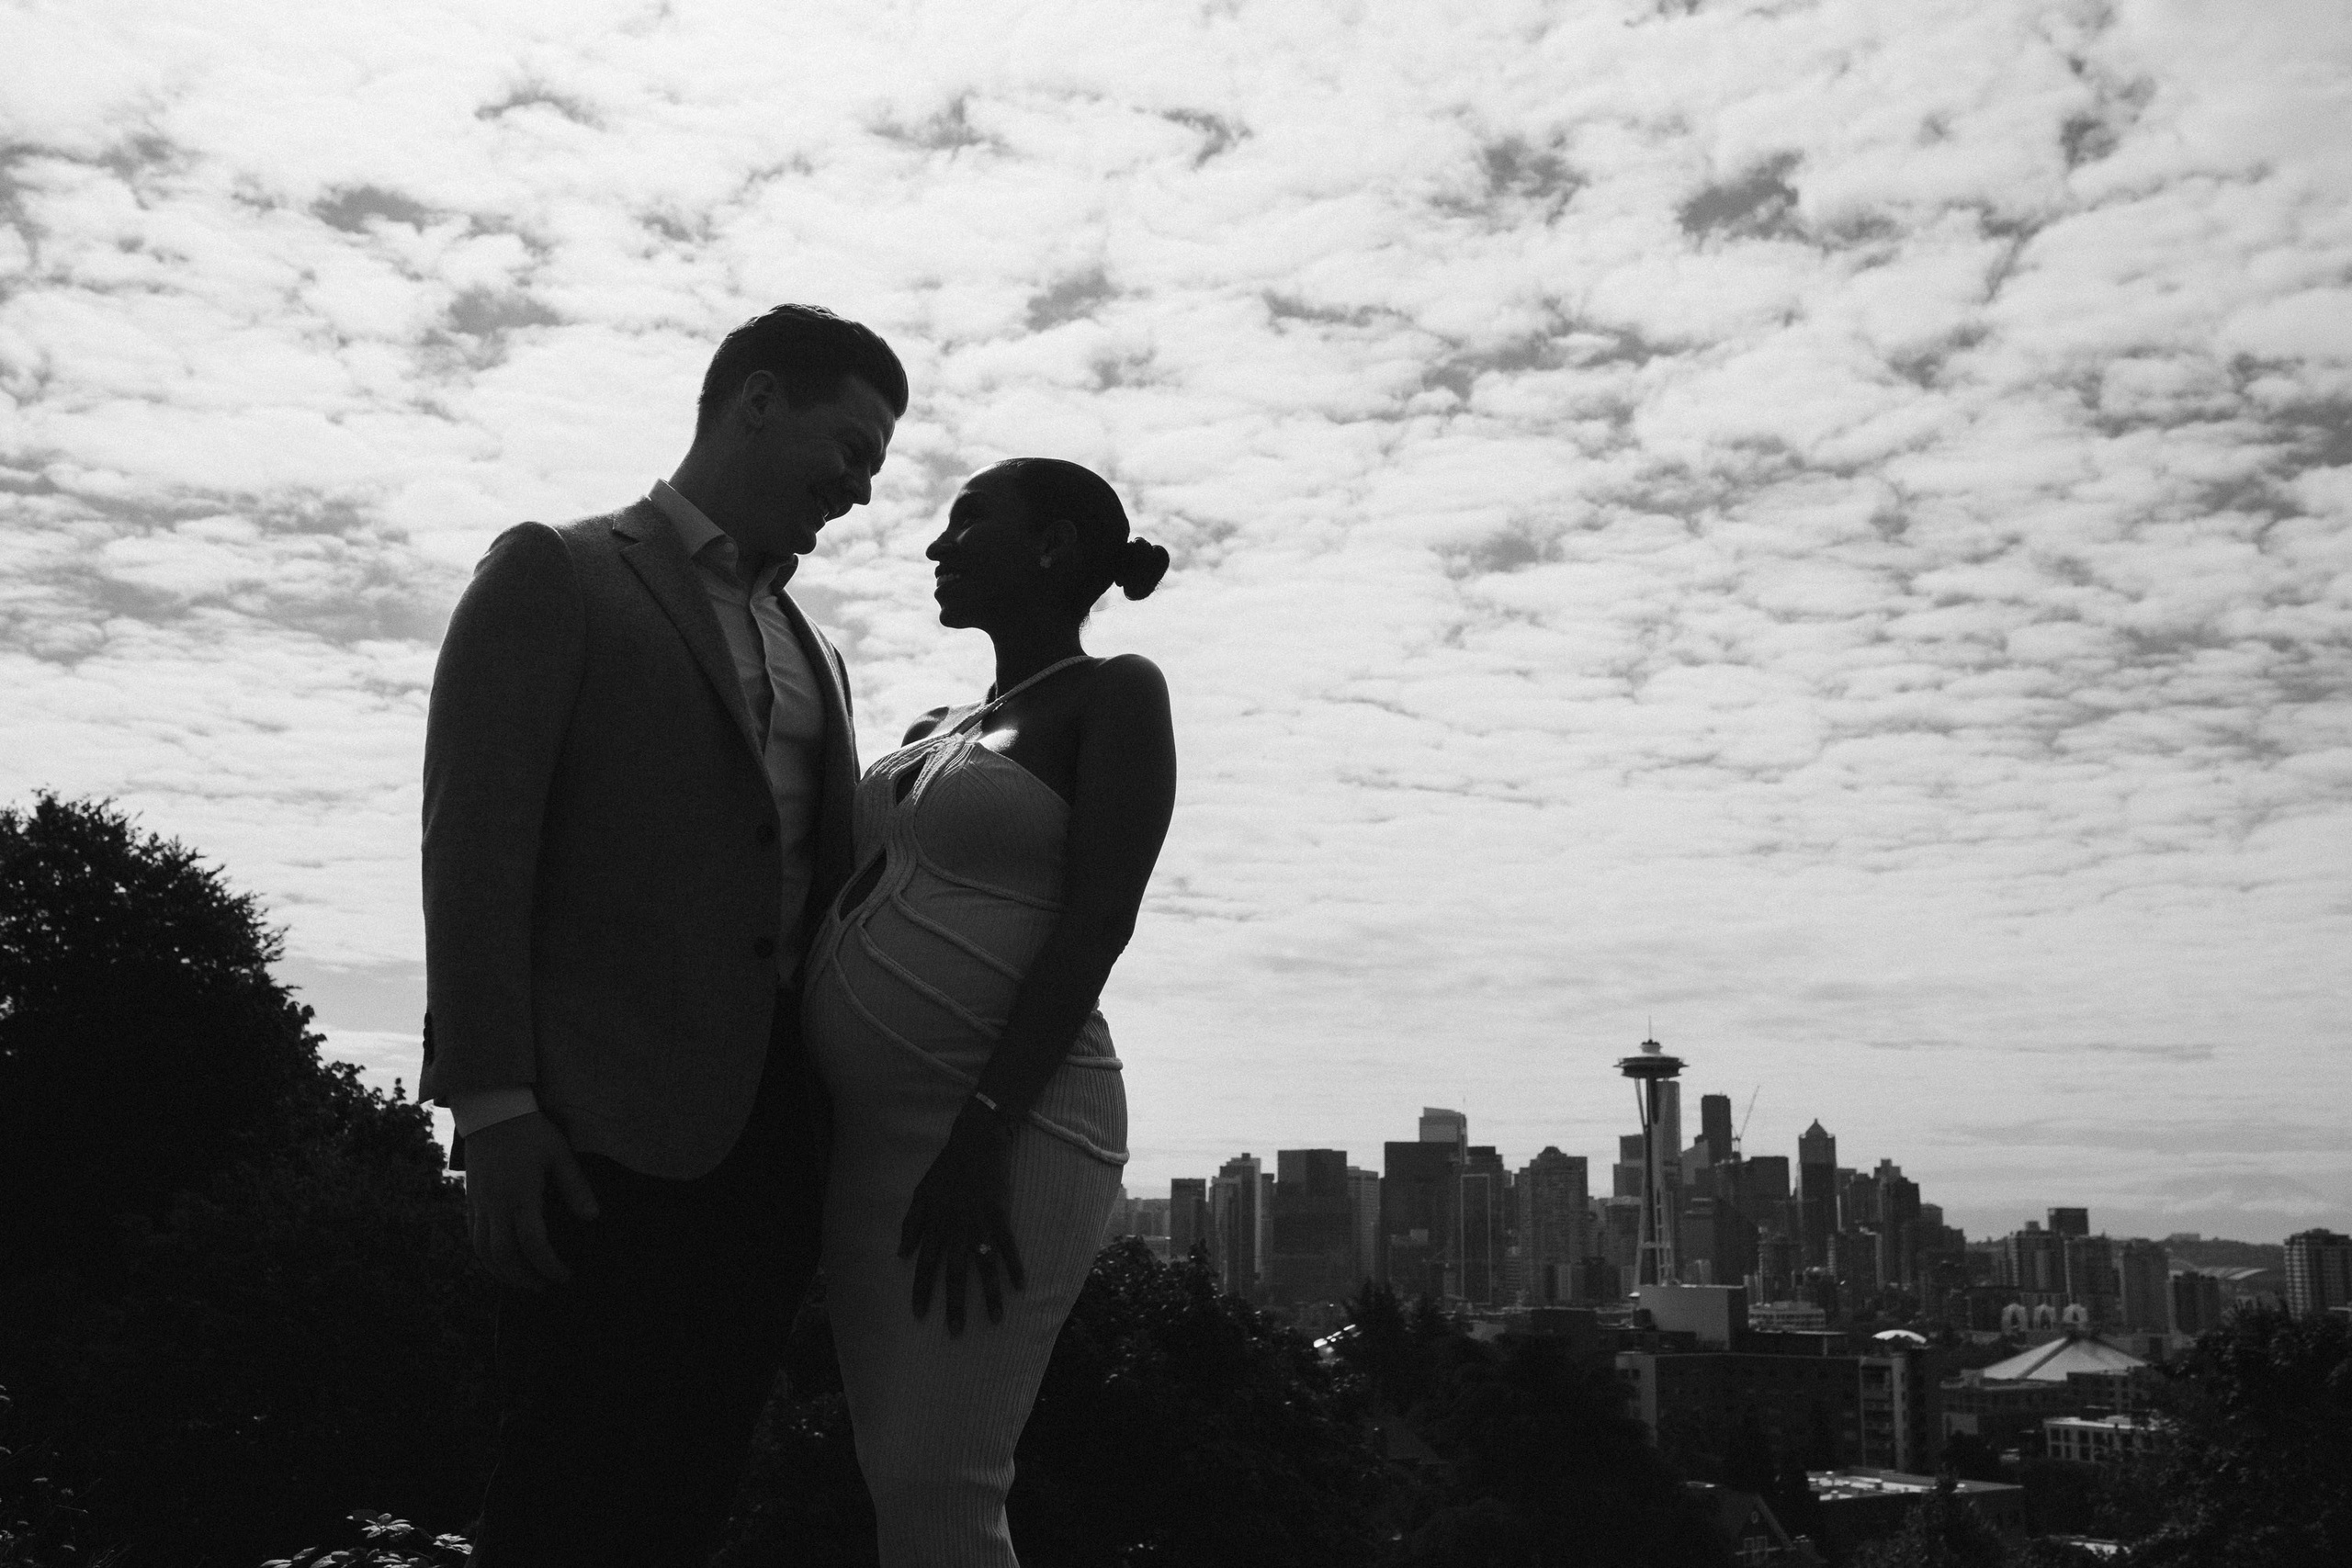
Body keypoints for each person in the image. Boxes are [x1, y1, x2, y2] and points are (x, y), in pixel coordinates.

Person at [418, 303, 904, 1567]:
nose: (859, 490)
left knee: (689, 1494)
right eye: (849, 448)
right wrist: (494, 1104)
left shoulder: (823, 653)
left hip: (772, 1149)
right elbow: (474, 847)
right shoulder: (556, 571)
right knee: (563, 1490)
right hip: (594, 1137)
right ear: (754, 400)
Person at [804, 457, 1176, 1566]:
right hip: (876, 1147)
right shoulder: (937, 720)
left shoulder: (1115, 693)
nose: (936, 546)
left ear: (1054, 547)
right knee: (897, 1483)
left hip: (1010, 1135)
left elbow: (1097, 923)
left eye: (969, 523)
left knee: (943, 1486)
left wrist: (981, 1128)